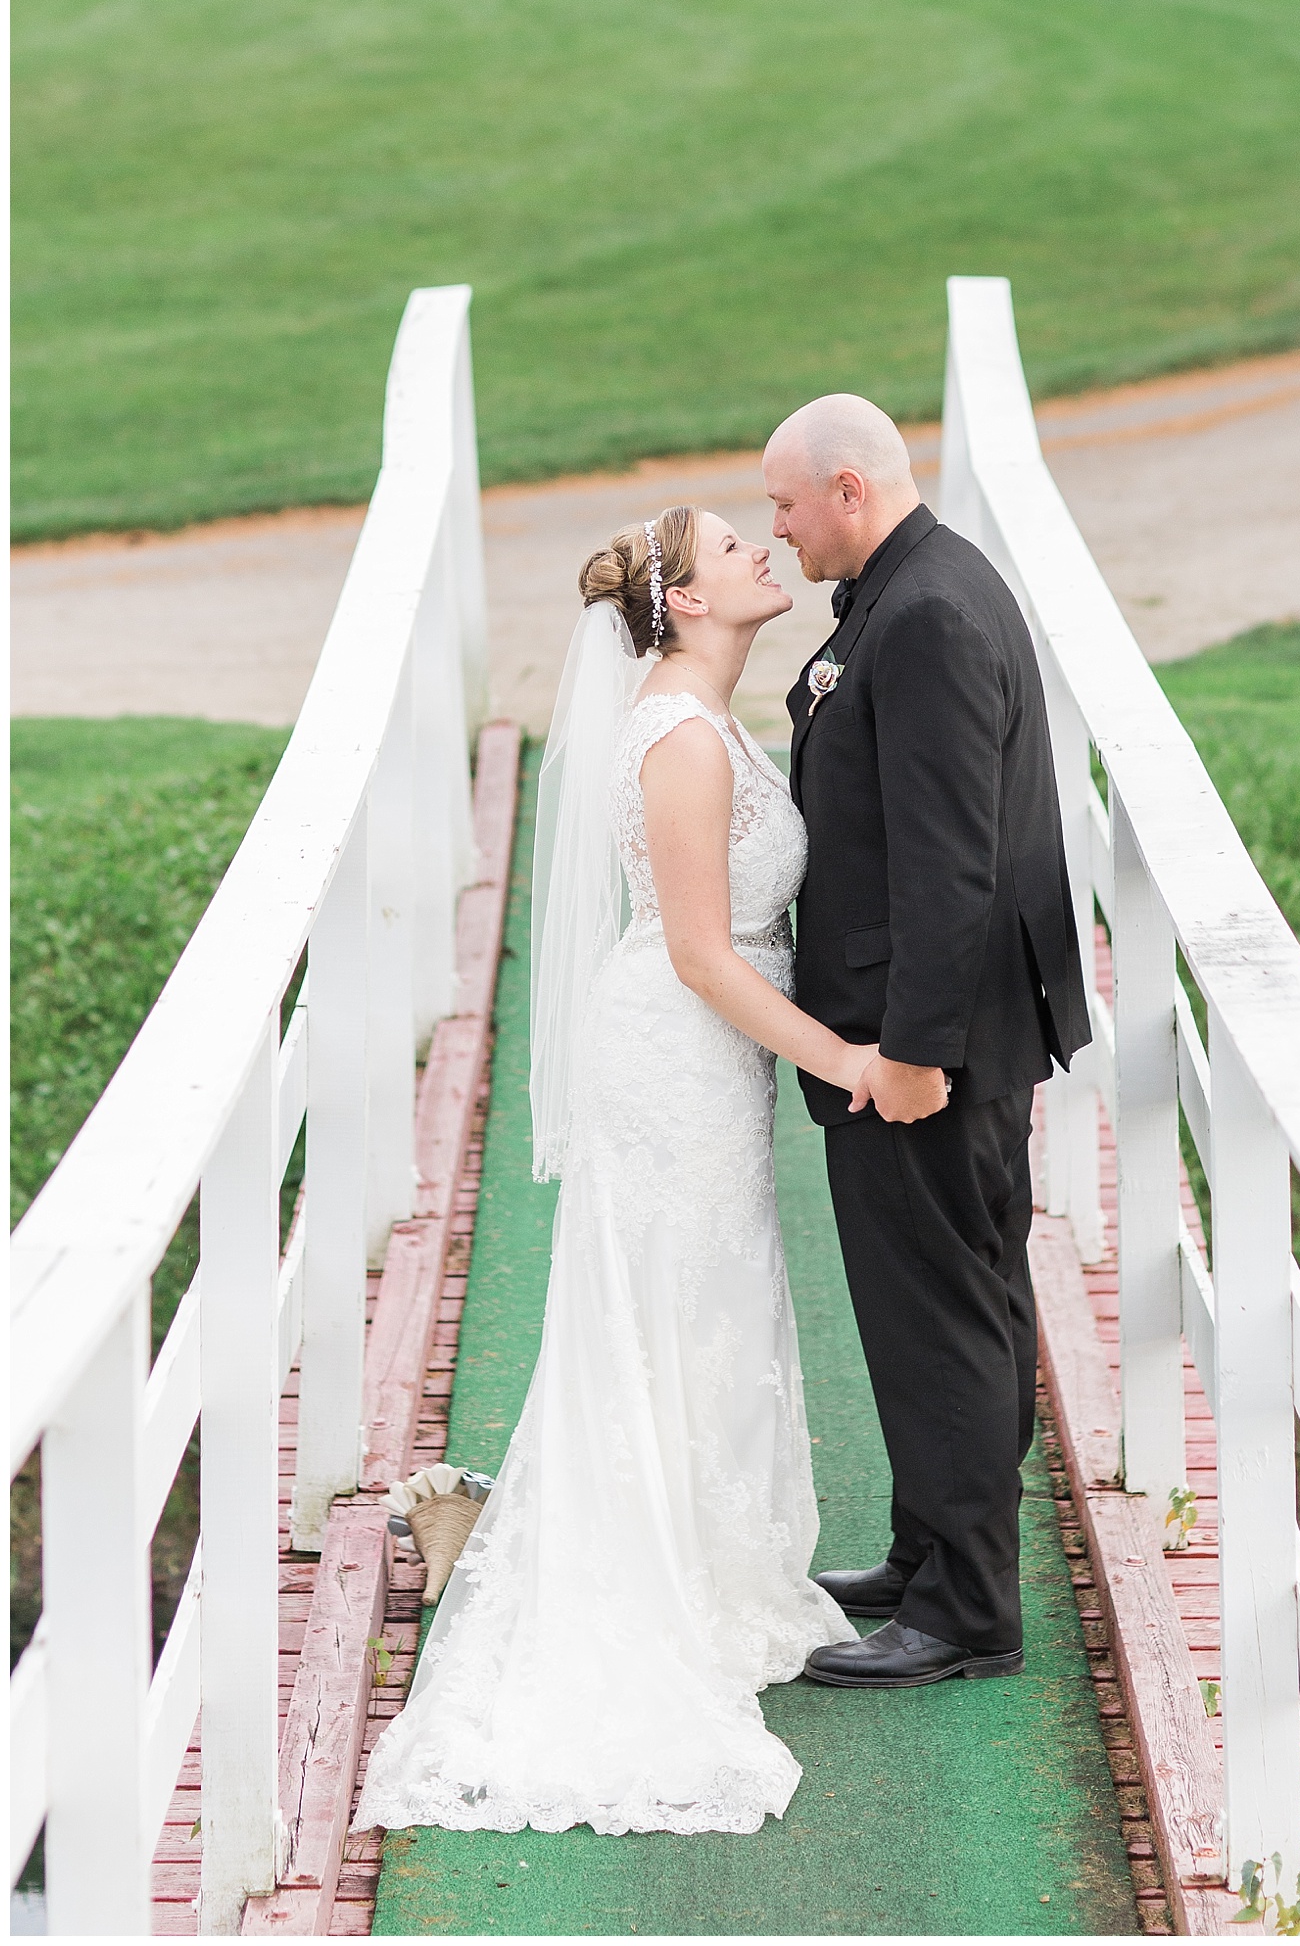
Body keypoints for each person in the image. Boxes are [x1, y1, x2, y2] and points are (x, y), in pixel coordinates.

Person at [354, 504, 871, 1840]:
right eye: (732, 547)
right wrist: (851, 1061)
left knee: (702, 1306)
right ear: (687, 601)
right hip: (676, 1054)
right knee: (669, 1304)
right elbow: (704, 956)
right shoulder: (680, 739)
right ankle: (628, 1579)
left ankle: (682, 1562)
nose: (764, 548)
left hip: (704, 1059)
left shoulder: (702, 715)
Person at [762, 393, 1092, 1689]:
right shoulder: (915, 592)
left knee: (941, 1314)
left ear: (849, 488)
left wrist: (909, 1052)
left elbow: (951, 865)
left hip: (922, 1049)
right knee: (964, 1298)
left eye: (786, 504)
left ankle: (965, 1613)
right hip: (941, 1034)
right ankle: (931, 1552)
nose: (775, 527)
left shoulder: (933, 615)